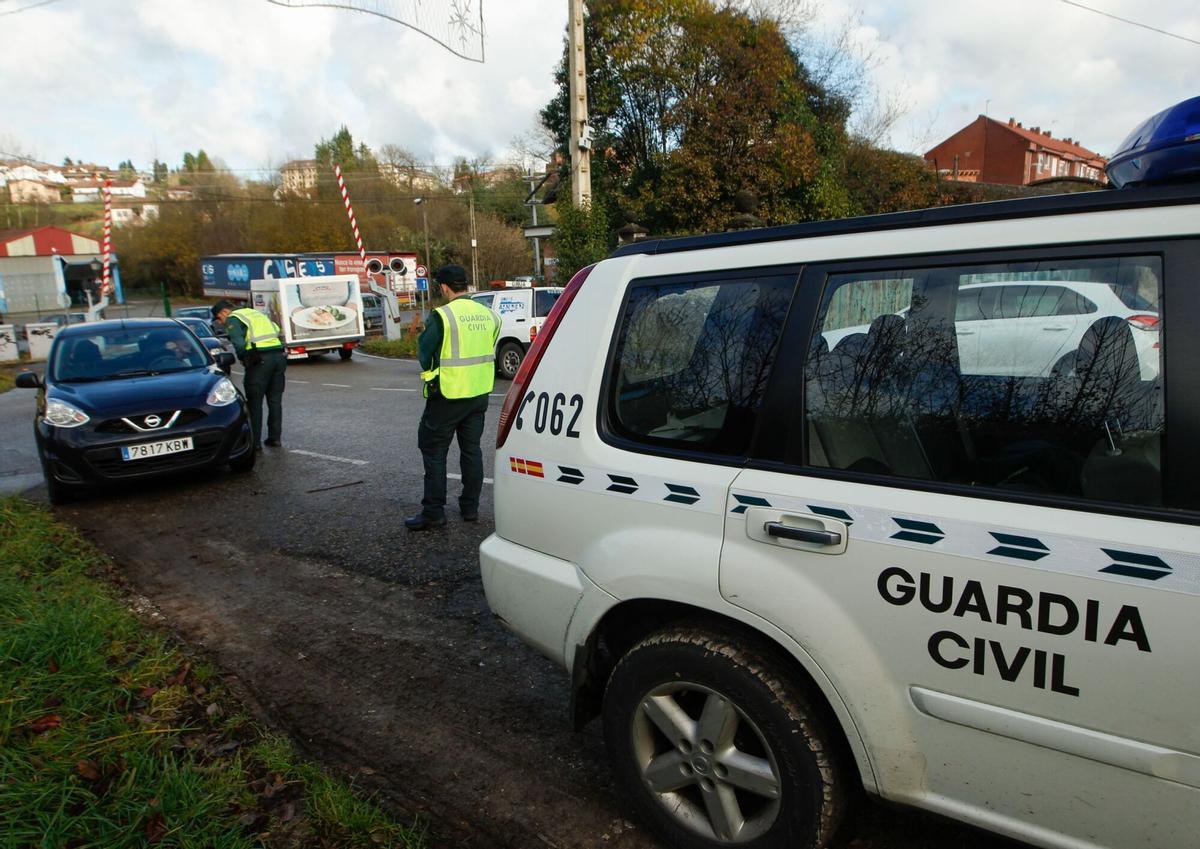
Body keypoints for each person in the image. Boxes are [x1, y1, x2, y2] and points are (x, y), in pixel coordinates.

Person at [406, 264, 501, 531]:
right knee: (471, 450)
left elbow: (425, 353)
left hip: (449, 394)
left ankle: (433, 512)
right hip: (479, 393)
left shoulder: (442, 316)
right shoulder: (490, 315)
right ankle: (470, 508)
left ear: (445, 287)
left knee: (434, 450)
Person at [212, 299, 286, 450]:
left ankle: (255, 442)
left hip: (259, 359)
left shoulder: (234, 318)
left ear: (224, 312)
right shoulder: (254, 313)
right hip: (279, 357)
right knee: (275, 400)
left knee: (254, 402)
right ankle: (275, 438)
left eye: (219, 318)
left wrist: (243, 358)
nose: (221, 322)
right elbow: (276, 329)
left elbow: (239, 343)